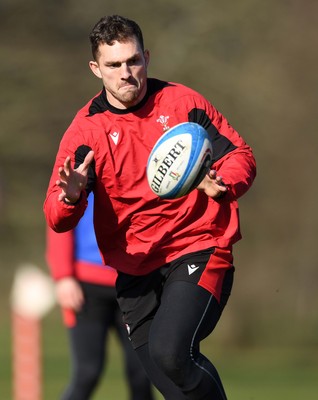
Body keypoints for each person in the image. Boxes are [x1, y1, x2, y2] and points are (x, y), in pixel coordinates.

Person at [44, 14, 256, 400]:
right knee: (168, 380)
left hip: (198, 245)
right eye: (113, 65)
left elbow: (240, 154)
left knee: (171, 352)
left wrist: (222, 183)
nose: (126, 73)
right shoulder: (85, 133)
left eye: (133, 61)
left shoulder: (183, 102)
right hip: (135, 267)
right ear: (96, 69)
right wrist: (71, 197)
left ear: (147, 57)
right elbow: (56, 218)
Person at [46, 192, 154, 400]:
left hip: (135, 284)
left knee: (142, 374)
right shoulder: (83, 167)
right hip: (85, 288)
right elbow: (59, 217)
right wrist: (63, 276)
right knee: (87, 373)